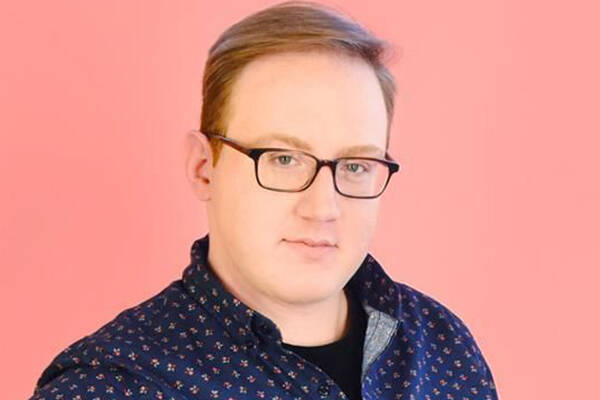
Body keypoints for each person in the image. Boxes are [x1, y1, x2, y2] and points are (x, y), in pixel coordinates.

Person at [29, 1, 498, 399]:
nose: (323, 208)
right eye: (283, 159)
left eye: (355, 165)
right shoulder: (110, 386)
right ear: (203, 167)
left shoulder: (442, 345)